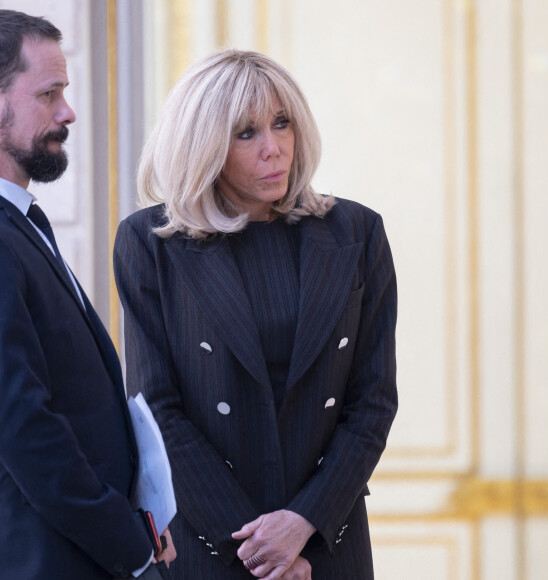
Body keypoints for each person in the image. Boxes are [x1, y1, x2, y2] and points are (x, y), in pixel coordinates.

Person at [114, 49, 397, 580]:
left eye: (282, 123)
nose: (274, 149)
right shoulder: (150, 243)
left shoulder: (357, 233)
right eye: (246, 134)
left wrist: (301, 524)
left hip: (326, 542)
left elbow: (372, 401)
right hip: (212, 542)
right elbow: (158, 410)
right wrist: (262, 550)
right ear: (204, 147)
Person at [0, 10, 176, 579]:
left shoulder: (21, 225)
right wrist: (130, 545)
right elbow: (24, 426)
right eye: (48, 94)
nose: (68, 113)